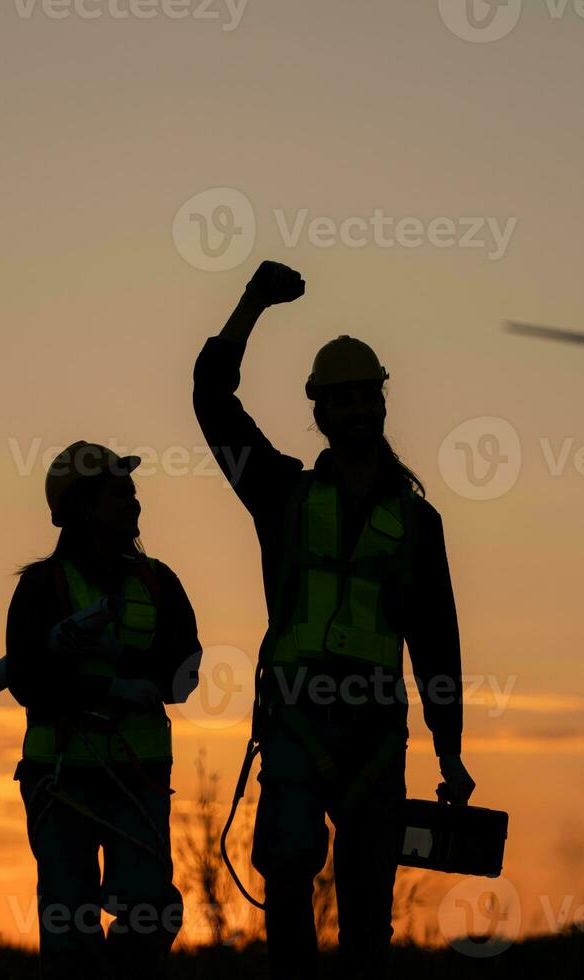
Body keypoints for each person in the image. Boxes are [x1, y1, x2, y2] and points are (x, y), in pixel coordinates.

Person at [193, 261, 475, 978]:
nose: (354, 410)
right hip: (295, 722)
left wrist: (450, 750)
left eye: (364, 397)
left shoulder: (418, 522)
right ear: (317, 412)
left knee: (367, 919)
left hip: (376, 734)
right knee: (287, 884)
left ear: (381, 405)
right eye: (339, 399)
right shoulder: (278, 492)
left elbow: (436, 640)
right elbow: (211, 396)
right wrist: (252, 302)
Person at [4, 440, 201, 979]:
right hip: (61, 775)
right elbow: (24, 681)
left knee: (148, 911)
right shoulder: (41, 587)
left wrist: (119, 658)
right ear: (84, 506)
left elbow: (184, 673)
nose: (135, 505)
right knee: (68, 928)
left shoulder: (160, 584)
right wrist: (106, 684)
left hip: (137, 779)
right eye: (122, 494)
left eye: (134, 493)